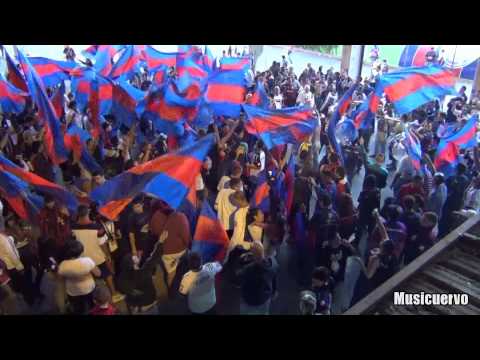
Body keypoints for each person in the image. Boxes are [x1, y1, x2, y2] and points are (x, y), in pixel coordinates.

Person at [71, 205, 124, 303]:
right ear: (88, 213)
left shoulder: (73, 227)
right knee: (108, 275)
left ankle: (97, 299)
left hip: (84, 258)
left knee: (93, 279)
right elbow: (103, 244)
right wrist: (108, 256)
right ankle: (114, 295)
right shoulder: (97, 228)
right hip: (98, 257)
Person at [150, 200, 191, 290]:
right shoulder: (181, 217)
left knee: (170, 274)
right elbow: (186, 237)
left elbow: (154, 232)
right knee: (184, 271)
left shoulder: (155, 215)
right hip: (180, 251)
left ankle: (171, 293)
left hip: (165, 252)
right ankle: (184, 290)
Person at [57, 239, 101, 315]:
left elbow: (60, 279)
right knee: (92, 307)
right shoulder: (87, 261)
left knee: (78, 309)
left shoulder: (62, 265)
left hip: (73, 291)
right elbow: (98, 274)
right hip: (89, 289)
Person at [237, 242, 278, 315]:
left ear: (253, 255)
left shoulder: (249, 269)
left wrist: (242, 259)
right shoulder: (273, 262)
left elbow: (238, 276)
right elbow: (274, 278)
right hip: (265, 298)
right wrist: (274, 291)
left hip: (250, 300)